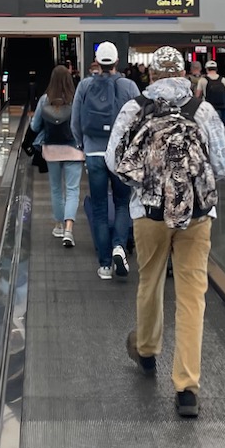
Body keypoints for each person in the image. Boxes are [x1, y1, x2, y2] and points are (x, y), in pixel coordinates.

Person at [108, 45, 225, 418]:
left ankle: (147, 350)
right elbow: (222, 165)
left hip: (148, 212)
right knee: (193, 296)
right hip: (196, 214)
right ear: (184, 74)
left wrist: (151, 179)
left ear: (153, 76)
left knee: (151, 279)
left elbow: (115, 160)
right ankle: (187, 388)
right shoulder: (203, 109)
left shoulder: (136, 108)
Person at [71, 41, 141, 280]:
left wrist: (82, 144)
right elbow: (139, 119)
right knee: (123, 203)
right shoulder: (129, 86)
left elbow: (75, 120)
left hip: (94, 154)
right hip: (120, 155)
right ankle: (119, 246)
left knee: (100, 208)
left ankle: (104, 265)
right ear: (117, 62)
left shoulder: (85, 85)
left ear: (97, 62)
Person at [31, 65, 83, 249]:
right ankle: (69, 229)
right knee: (72, 190)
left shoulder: (45, 99)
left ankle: (58, 225)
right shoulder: (76, 99)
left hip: (51, 149)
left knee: (55, 189)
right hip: (74, 149)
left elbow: (35, 126)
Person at [202, 60, 225, 141]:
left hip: (208, 108)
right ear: (216, 69)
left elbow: (197, 95)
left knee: (210, 127)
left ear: (207, 69)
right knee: (220, 125)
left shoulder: (203, 80)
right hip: (222, 107)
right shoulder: (223, 80)